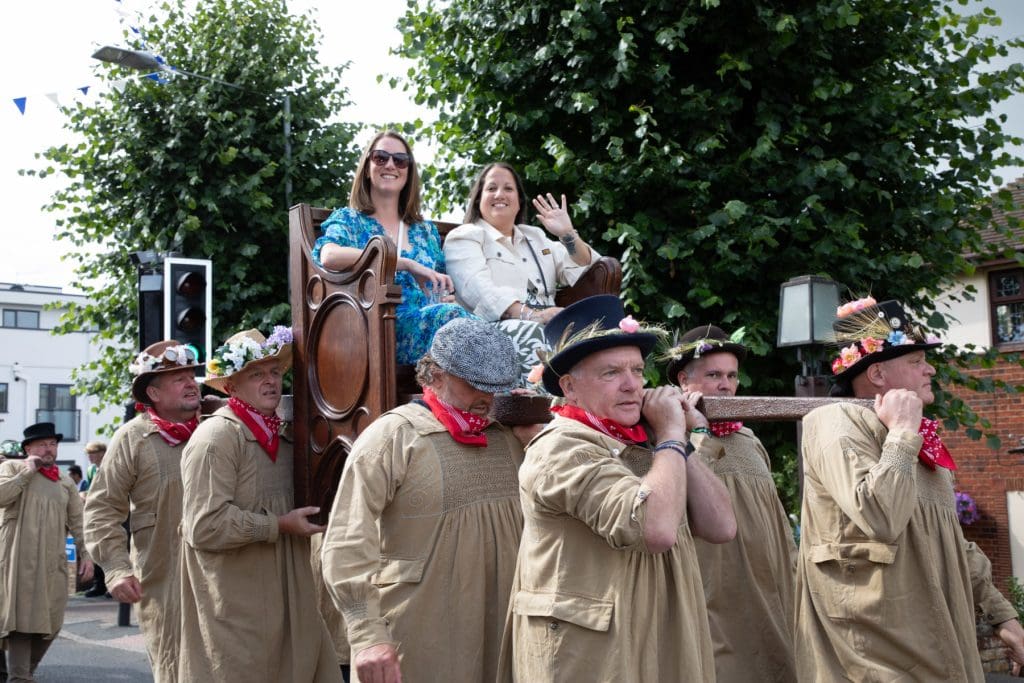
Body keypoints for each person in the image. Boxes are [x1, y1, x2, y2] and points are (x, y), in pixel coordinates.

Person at [502, 295, 736, 681]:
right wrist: (673, 435)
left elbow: (721, 526)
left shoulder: (650, 443)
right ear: (569, 387)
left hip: (661, 641)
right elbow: (655, 530)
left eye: (638, 370)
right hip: (591, 657)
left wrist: (677, 437)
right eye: (611, 373)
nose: (631, 386)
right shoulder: (561, 447)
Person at [796, 297, 1024, 680]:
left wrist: (1005, 619)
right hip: (876, 654)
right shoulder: (834, 421)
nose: (930, 369)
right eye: (916, 362)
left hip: (937, 645)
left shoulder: (917, 437)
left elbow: (951, 540)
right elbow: (879, 516)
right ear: (878, 375)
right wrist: (901, 433)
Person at [322, 318, 526, 683]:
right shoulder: (392, 436)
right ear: (435, 374)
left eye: (495, 388)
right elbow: (346, 541)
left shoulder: (509, 440)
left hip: (503, 643)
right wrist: (366, 635)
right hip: (416, 645)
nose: (486, 398)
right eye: (475, 384)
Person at [178, 327, 340, 683]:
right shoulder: (217, 438)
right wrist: (279, 525)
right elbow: (203, 526)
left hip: (293, 606)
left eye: (275, 372)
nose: (270, 382)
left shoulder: (285, 436)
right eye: (256, 374)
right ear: (232, 387)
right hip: (240, 614)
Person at [664, 324, 797, 682]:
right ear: (684, 381)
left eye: (732, 375)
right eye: (713, 375)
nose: (726, 384)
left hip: (772, 595)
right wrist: (697, 433)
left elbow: (776, 519)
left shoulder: (750, 438)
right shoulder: (666, 440)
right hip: (714, 601)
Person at [84, 340, 203, 682]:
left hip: (226, 578)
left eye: (190, 376)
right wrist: (117, 569)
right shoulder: (131, 438)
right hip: (165, 582)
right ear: (153, 393)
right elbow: (102, 508)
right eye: (178, 379)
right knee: (175, 668)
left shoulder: (216, 428)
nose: (191, 383)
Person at [312, 130, 471, 365]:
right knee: (454, 321)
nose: (390, 165)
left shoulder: (425, 231)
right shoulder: (349, 220)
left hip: (435, 322)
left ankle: (509, 395)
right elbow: (329, 256)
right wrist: (404, 263)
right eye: (380, 157)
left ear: (409, 172)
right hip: (380, 331)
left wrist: (446, 296)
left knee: (477, 326)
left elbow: (441, 285)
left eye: (400, 160)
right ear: (367, 167)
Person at [444, 162, 601, 383]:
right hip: (489, 330)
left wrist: (567, 233)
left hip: (550, 323)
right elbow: (480, 291)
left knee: (601, 337)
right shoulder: (465, 237)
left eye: (508, 188)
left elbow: (585, 266)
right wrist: (534, 316)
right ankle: (543, 412)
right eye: (491, 188)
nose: (500, 194)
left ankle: (594, 413)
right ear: (478, 199)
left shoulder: (535, 237)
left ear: (519, 202)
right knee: (532, 335)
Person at [0, 422, 94, 683]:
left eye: (52, 444)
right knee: (21, 619)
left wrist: (86, 555)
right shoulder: (10, 468)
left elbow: (78, 522)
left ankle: (24, 672)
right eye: (42, 444)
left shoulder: (64, 482)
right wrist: (26, 473)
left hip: (52, 561)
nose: (48, 449)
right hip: (17, 559)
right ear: (28, 448)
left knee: (53, 620)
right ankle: (20, 677)